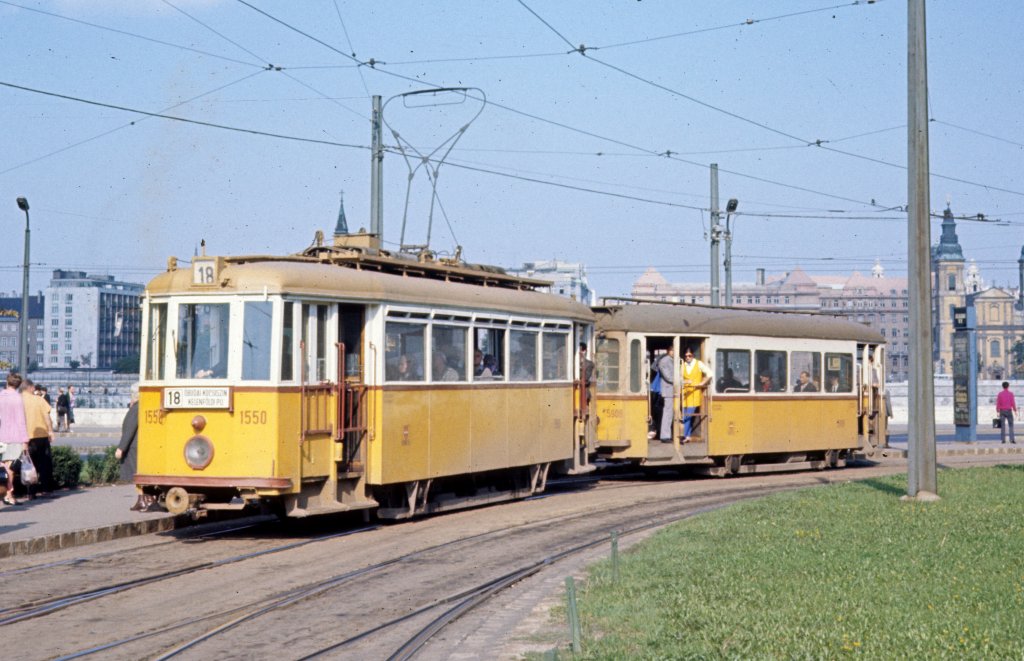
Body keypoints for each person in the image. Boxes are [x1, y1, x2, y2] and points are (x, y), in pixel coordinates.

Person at [115, 384, 154, 510]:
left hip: (133, 446)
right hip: (140, 445)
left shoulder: (137, 408)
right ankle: (146, 499)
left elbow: (129, 429)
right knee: (141, 474)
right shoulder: (144, 406)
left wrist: (121, 448)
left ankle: (143, 500)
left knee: (138, 475)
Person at [21, 378, 55, 498]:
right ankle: (46, 489)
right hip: (42, 436)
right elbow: (47, 416)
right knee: (45, 463)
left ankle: (31, 492)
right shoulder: (39, 400)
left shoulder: (19, 401)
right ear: (30, 387)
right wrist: (50, 431)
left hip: (26, 437)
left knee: (30, 465)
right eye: (33, 387)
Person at [0, 373, 30, 505]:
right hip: (14, 436)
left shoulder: (1, 396)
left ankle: (5, 493)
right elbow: (21, 421)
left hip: (1, 435)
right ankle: (8, 494)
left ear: (7, 382)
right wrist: (25, 440)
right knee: (10, 468)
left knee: (4, 465)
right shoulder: (18, 399)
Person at [680, 348, 712, 443]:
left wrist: (702, 383)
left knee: (688, 415)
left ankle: (684, 435)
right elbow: (680, 378)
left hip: (694, 393)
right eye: (686, 356)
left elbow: (710, 374)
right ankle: (688, 436)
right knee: (686, 414)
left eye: (689, 355)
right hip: (685, 393)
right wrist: (685, 381)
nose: (687, 358)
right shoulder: (683, 365)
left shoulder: (699, 364)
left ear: (693, 355)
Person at [656, 347, 675, 442]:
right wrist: (682, 381)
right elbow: (669, 377)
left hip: (672, 390)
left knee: (669, 413)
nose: (674, 352)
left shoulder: (671, 360)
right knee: (668, 413)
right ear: (669, 351)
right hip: (668, 390)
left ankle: (667, 434)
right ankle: (665, 436)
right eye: (673, 350)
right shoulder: (665, 361)